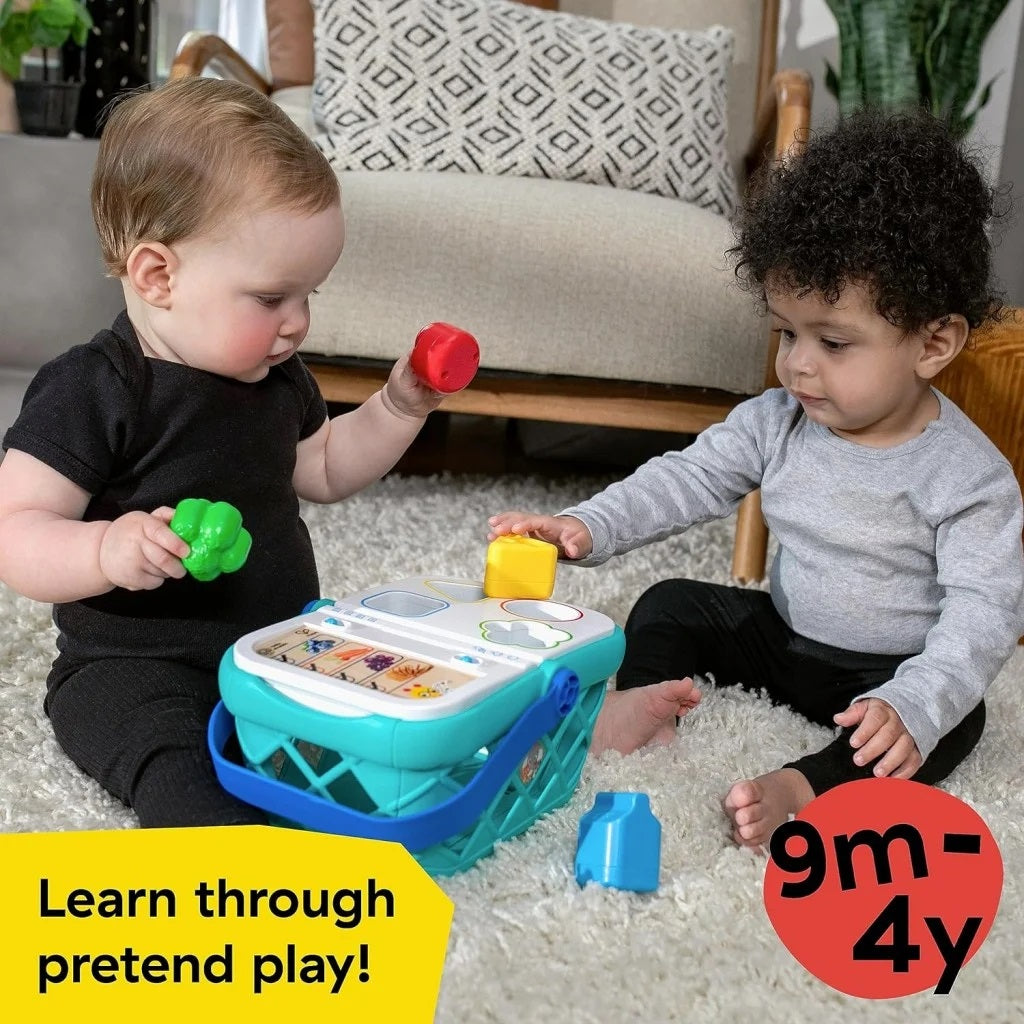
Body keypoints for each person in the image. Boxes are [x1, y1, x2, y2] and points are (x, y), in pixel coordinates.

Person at [488, 109, 1024, 849]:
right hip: (783, 638)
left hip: (883, 674)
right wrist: (590, 524)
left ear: (934, 343)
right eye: (788, 333)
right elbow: (688, 478)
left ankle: (807, 785)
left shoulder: (969, 477)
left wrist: (916, 700)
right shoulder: (779, 420)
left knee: (953, 720)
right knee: (670, 603)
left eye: (833, 342)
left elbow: (984, 611)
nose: (798, 364)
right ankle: (643, 704)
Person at [0, 77, 450, 828]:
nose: (297, 323)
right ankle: (221, 853)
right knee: (179, 767)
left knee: (384, 739)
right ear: (158, 276)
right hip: (135, 666)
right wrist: (105, 549)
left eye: (309, 296)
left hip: (277, 652)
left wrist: (399, 408)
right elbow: (15, 532)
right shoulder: (97, 387)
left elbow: (326, 467)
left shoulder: (278, 380)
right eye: (272, 299)